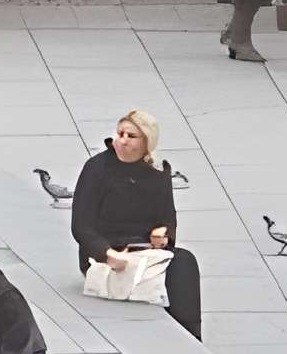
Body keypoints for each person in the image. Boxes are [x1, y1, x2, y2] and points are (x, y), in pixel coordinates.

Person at [69, 109, 201, 338]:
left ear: (146, 142)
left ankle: (191, 336)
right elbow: (81, 225)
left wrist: (164, 234)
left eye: (131, 136)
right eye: (120, 134)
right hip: (108, 252)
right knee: (159, 280)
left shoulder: (158, 170)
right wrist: (107, 253)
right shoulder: (97, 168)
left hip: (145, 249)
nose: (122, 140)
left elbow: (168, 217)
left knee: (184, 262)